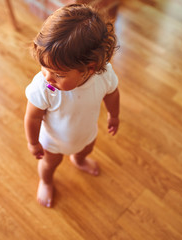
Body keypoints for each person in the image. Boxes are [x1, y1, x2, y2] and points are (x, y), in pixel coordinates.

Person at [24, 4, 120, 208]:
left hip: (86, 132)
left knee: (87, 149)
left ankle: (79, 160)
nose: (48, 77)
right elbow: (33, 116)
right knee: (49, 165)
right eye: (44, 67)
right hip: (53, 142)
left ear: (89, 69)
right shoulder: (44, 87)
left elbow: (112, 93)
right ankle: (46, 181)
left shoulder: (104, 75)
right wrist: (33, 142)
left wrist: (114, 115)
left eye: (59, 74)